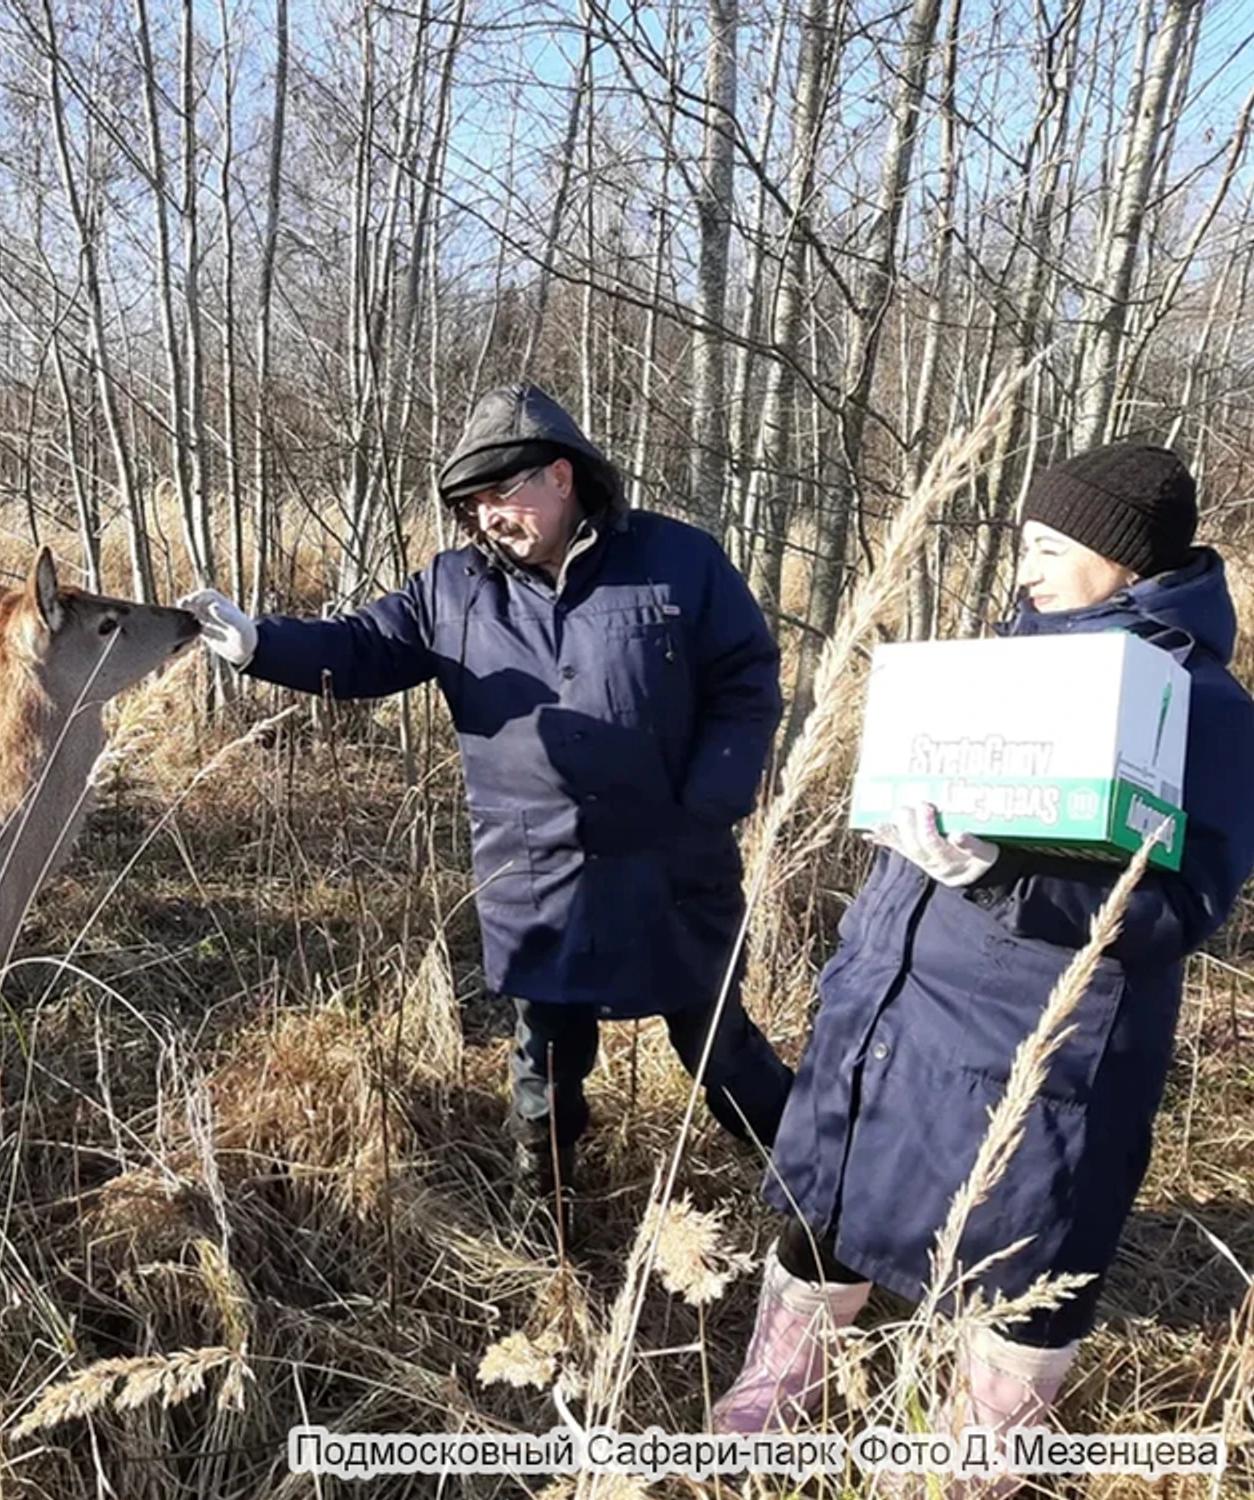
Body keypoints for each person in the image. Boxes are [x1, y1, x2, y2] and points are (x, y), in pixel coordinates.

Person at [713, 443, 1254, 1473]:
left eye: (1051, 546)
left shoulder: (1199, 705)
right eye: (1022, 544)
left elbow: (1178, 910)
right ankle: (775, 1391)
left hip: (1032, 1036)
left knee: (1024, 1248)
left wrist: (998, 875)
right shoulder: (1001, 657)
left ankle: (976, 1456)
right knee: (835, 1189)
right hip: (892, 997)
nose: (1025, 568)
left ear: (1125, 561)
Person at [180, 382, 795, 1208]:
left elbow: (746, 679)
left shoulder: (678, 561)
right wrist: (261, 643)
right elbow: (364, 648)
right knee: (543, 1066)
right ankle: (544, 1216)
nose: (488, 517)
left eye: (502, 494)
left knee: (721, 1048)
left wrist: (714, 795)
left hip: (671, 863)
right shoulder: (455, 589)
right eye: (473, 504)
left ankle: (816, 1195)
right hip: (536, 874)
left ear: (563, 476)